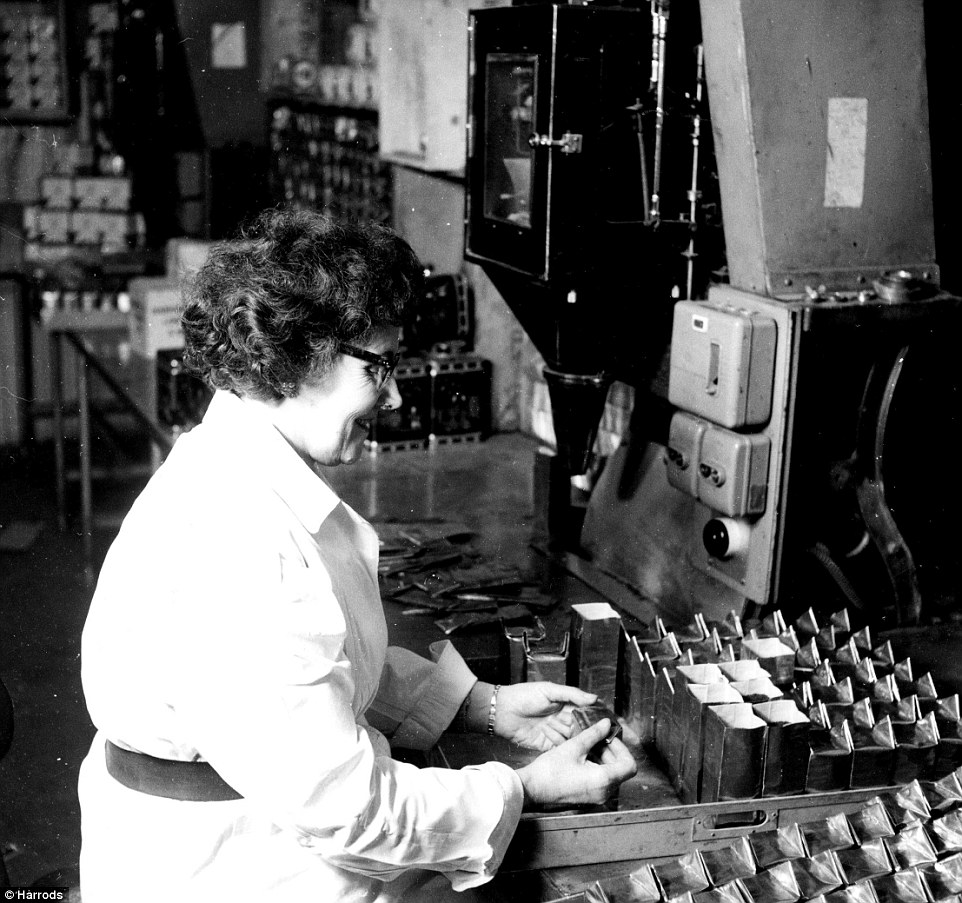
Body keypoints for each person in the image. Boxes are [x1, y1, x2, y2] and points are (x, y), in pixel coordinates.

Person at [78, 208, 637, 903]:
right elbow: (350, 808)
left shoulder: (250, 467)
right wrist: (522, 788)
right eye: (380, 367)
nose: (398, 395)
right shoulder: (238, 541)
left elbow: (317, 663)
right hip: (231, 871)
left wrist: (484, 705)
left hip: (255, 834)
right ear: (303, 352)